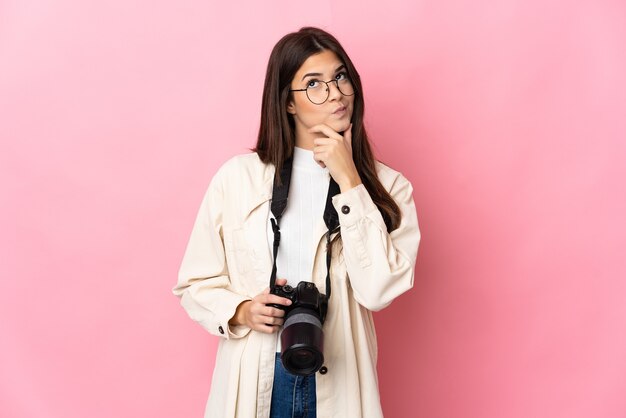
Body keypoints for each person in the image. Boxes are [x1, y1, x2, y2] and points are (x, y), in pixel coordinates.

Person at [173, 26, 420, 418]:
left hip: (338, 378)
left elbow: (378, 291)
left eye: (341, 77)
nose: (336, 93)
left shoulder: (389, 187)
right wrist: (240, 310)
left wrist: (350, 181)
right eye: (314, 84)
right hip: (257, 370)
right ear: (289, 102)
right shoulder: (237, 179)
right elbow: (194, 281)